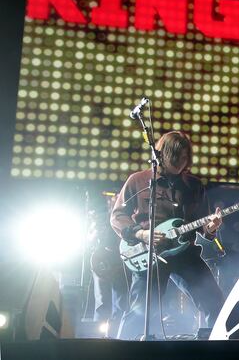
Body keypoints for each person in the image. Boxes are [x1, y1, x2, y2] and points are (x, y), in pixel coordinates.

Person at [111, 131, 224, 340]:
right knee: (141, 312)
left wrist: (211, 227)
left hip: (185, 254)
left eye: (185, 158)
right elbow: (117, 215)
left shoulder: (193, 185)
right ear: (162, 155)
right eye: (176, 157)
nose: (181, 163)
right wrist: (141, 233)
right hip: (149, 254)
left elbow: (203, 225)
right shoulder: (138, 181)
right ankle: (120, 351)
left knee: (215, 301)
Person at [88, 193, 129, 336]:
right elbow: (92, 237)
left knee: (120, 302)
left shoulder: (125, 214)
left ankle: (115, 336)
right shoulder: (100, 216)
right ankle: (98, 339)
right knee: (102, 302)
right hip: (103, 260)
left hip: (120, 260)